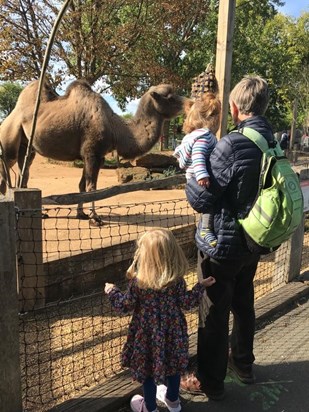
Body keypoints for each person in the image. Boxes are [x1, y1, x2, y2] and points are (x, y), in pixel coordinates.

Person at [180, 76, 276, 400]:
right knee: (243, 302)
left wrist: (190, 176)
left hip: (220, 245)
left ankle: (209, 380)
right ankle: (243, 364)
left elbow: (203, 200)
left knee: (213, 311)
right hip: (252, 241)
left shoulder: (232, 145)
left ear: (234, 108)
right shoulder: (271, 142)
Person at [104, 228, 216, 412]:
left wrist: (112, 291)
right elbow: (187, 302)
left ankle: (149, 407)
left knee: (147, 373)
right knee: (173, 367)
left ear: (143, 256)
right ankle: (172, 400)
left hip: (147, 335)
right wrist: (200, 287)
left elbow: (124, 305)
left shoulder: (138, 283)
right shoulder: (176, 281)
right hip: (173, 332)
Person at [173, 92, 221, 247]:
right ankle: (206, 230)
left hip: (192, 179)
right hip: (199, 178)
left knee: (209, 205)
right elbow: (198, 153)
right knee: (211, 204)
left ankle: (206, 228)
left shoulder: (192, 135)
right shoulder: (205, 136)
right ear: (212, 120)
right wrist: (202, 174)